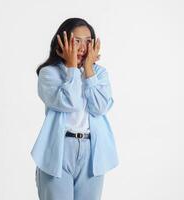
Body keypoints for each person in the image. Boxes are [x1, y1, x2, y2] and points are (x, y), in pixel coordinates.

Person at [30, 17, 119, 200]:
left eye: (88, 41)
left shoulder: (99, 74)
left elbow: (100, 107)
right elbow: (69, 103)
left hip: (91, 152)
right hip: (59, 150)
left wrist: (88, 70)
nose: (83, 47)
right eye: (76, 41)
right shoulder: (49, 73)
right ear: (62, 42)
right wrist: (72, 68)